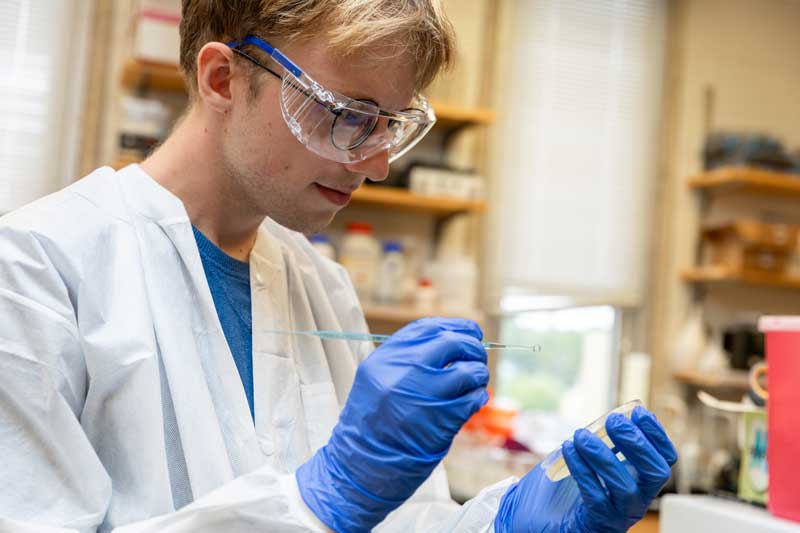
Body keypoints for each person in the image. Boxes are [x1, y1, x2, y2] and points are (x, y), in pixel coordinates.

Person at [0, 1, 677, 531]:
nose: (378, 163)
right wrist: (326, 496)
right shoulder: (39, 269)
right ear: (221, 78)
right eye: (350, 115)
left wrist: (504, 522)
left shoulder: (319, 283)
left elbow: (398, 523)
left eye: (390, 123)